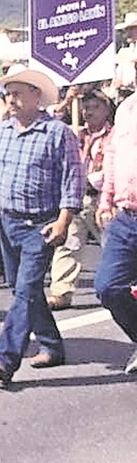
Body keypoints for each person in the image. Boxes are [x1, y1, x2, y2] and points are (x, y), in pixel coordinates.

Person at [0, 67, 84, 385]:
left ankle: (5, 358)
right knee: (22, 290)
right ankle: (52, 345)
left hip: (41, 225)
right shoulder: (2, 131)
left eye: (18, 93)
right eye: (8, 94)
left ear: (36, 96)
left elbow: (73, 180)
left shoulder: (59, 133)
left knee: (27, 289)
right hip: (9, 222)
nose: (11, 100)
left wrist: (63, 220)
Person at [47, 89, 114, 311]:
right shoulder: (75, 133)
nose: (88, 112)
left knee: (113, 245)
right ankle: (61, 291)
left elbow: (110, 169)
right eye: (86, 108)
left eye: (95, 107)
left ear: (106, 110)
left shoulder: (113, 136)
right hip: (75, 199)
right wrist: (69, 99)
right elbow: (52, 117)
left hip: (101, 199)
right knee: (68, 244)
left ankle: (123, 287)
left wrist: (89, 180)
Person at [95, 78, 137, 375]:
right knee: (108, 287)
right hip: (126, 216)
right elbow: (112, 156)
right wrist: (105, 198)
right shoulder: (126, 108)